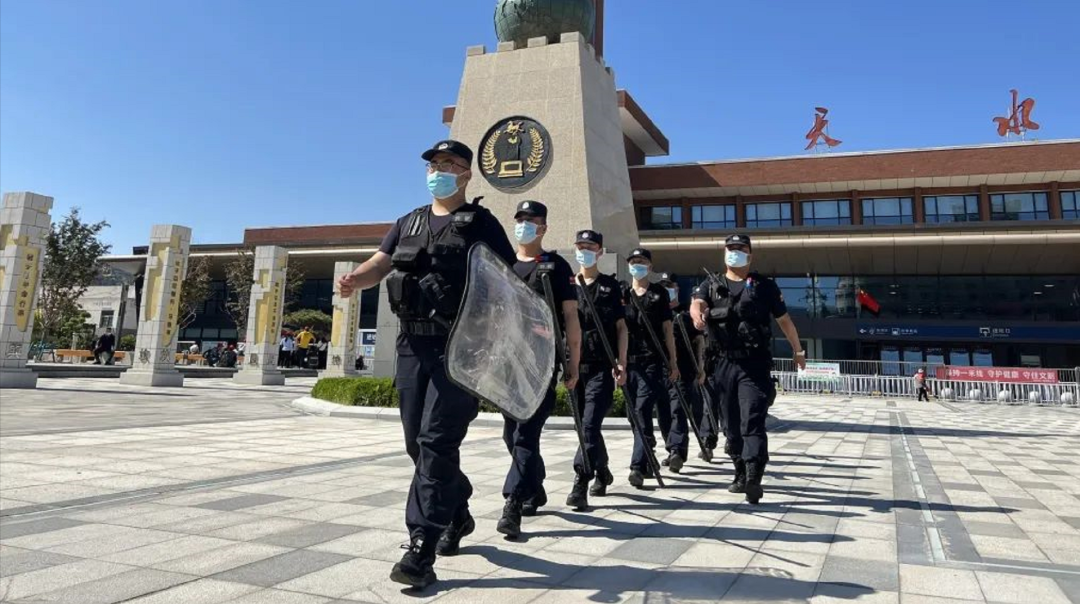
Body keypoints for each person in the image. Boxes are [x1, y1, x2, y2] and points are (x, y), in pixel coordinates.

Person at [337, 139, 516, 588]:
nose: (440, 170)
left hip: (458, 350)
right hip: (411, 347)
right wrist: (356, 279)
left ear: (467, 174)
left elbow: (504, 282)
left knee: (436, 443)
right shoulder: (408, 221)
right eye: (435, 164)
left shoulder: (481, 224)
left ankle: (421, 546)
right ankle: (457, 507)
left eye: (450, 164)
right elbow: (381, 263)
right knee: (416, 444)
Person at [691, 234, 807, 505]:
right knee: (731, 425)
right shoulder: (711, 284)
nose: (735, 253)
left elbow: (785, 320)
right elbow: (697, 303)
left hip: (754, 364)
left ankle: (754, 473)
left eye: (741, 249)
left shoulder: (763, 286)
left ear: (750, 255)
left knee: (752, 419)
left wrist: (798, 350)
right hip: (722, 364)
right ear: (724, 254)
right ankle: (740, 469)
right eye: (731, 249)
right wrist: (697, 313)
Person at [494, 200, 581, 536]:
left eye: (531, 220)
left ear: (543, 228)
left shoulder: (555, 266)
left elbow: (571, 316)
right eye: (520, 219)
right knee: (511, 434)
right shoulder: (503, 264)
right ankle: (535, 485)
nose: (524, 224)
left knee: (527, 434)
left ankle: (512, 503)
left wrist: (573, 361)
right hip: (506, 362)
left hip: (541, 361)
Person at [567, 229, 628, 510]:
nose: (584, 250)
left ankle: (581, 480)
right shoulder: (568, 285)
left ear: (600, 251)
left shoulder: (610, 286)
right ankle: (602, 471)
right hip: (575, 367)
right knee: (585, 426)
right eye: (580, 245)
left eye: (590, 245)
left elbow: (620, 327)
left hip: (602, 367)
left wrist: (622, 361)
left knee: (589, 425)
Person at [623, 248, 679, 488]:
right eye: (634, 261)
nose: (637, 265)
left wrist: (673, 362)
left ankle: (637, 466)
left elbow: (668, 331)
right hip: (630, 364)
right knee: (632, 416)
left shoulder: (658, 294)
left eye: (642, 261)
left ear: (650, 265)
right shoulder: (623, 294)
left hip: (653, 362)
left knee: (642, 412)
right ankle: (648, 458)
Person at [656, 273, 713, 467]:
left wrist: (701, 368)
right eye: (664, 287)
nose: (667, 290)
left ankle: (678, 451)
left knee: (678, 409)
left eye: (670, 286)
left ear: (677, 289)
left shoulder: (685, 315)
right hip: (660, 369)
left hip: (684, 369)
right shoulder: (655, 312)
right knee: (663, 413)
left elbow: (699, 342)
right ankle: (670, 446)